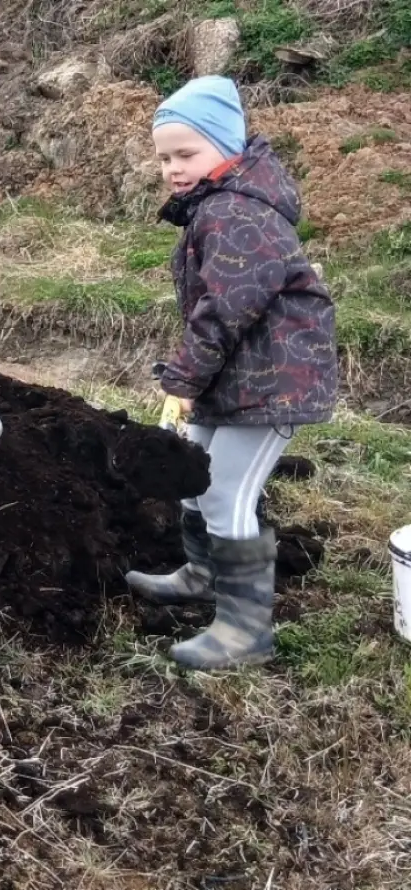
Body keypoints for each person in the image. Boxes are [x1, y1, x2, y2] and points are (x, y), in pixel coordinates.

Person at [124, 76, 338, 670]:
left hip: (274, 384)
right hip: (237, 379)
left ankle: (247, 632)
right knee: (194, 472)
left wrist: (182, 378)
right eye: (164, 157)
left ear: (230, 147)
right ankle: (200, 574)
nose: (171, 167)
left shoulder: (240, 214)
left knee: (224, 494)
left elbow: (225, 310)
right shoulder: (215, 207)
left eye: (186, 154)